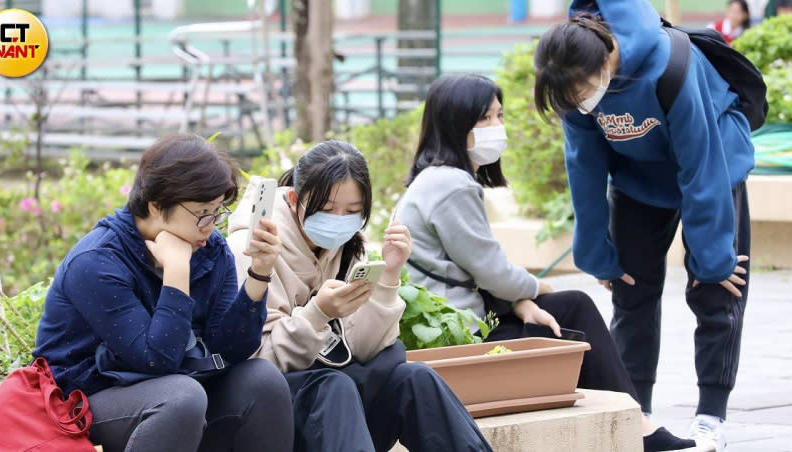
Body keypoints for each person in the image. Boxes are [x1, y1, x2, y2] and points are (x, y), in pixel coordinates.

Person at [395, 73, 704, 452]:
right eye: (484, 119)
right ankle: (637, 427)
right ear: (454, 125)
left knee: (567, 312)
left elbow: (479, 272)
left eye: (500, 116)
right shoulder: (452, 186)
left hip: (456, 323)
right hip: (459, 338)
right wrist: (536, 289)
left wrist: (522, 300)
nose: (497, 128)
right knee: (570, 310)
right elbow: (493, 271)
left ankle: (634, 423)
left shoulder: (436, 180)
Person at [532, 1, 755, 450]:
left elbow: (701, 161)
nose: (578, 103)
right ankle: (637, 410)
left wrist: (712, 255)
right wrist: (597, 253)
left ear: (604, 58)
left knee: (717, 287)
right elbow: (584, 167)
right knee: (632, 292)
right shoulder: (572, 86)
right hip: (639, 180)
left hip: (713, 158)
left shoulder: (668, 64)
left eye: (580, 91)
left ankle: (711, 415)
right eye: (567, 98)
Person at [33, 134, 294, 452]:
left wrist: (259, 273)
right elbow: (156, 361)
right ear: (156, 206)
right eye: (203, 212)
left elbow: (231, 349)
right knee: (181, 397)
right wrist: (177, 271)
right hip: (86, 397)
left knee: (261, 380)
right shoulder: (96, 261)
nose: (210, 225)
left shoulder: (211, 249)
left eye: (218, 211)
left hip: (174, 385)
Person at [227, 140, 492, 452]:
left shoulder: (348, 247)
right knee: (333, 386)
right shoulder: (252, 248)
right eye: (326, 209)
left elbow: (365, 351)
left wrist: (390, 273)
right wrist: (318, 314)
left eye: (352, 211)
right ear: (295, 199)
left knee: (414, 378)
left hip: (339, 413)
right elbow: (256, 363)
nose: (339, 220)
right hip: (275, 416)